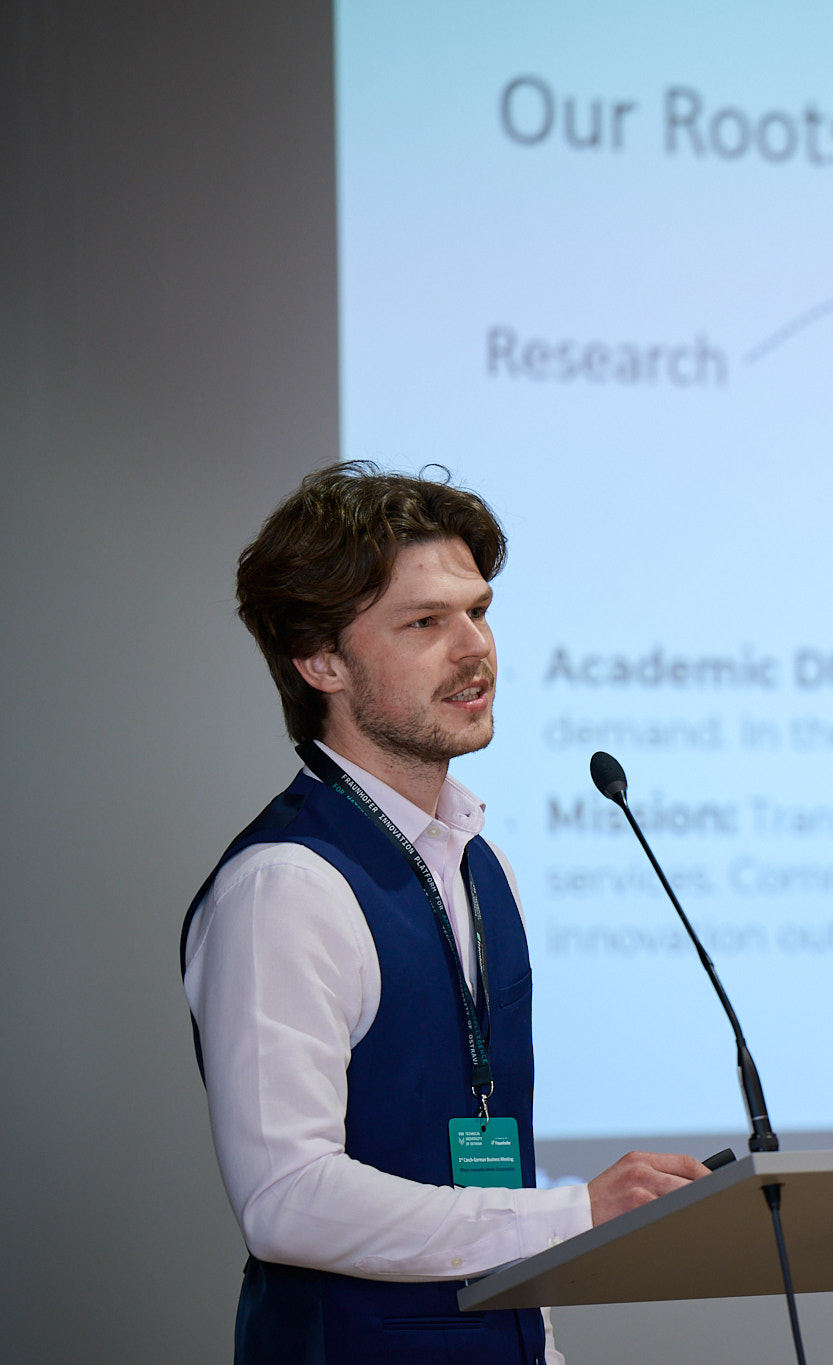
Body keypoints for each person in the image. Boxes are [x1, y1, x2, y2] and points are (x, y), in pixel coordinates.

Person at [181, 462, 706, 1364]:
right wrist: (572, 1211)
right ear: (321, 660)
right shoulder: (286, 885)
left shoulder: (482, 866)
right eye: (425, 622)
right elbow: (285, 1200)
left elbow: (491, 1191)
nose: (475, 649)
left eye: (479, 611)